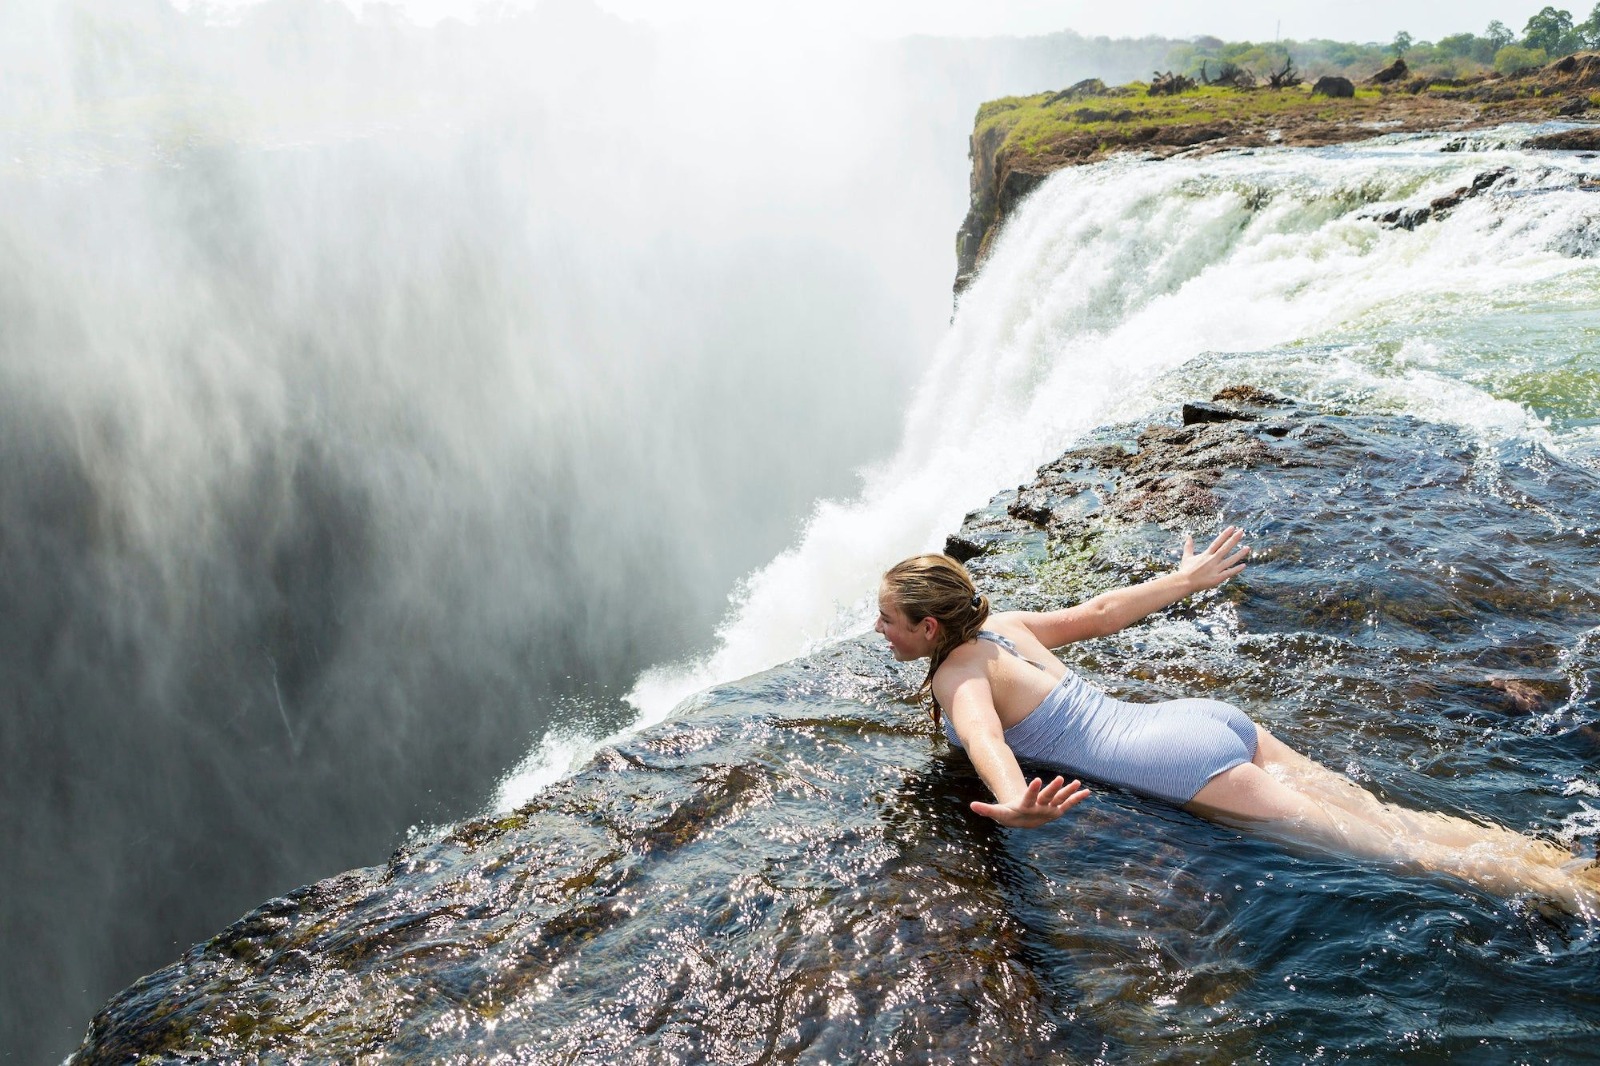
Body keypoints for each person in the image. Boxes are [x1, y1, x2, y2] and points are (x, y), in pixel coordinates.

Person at [876, 528, 1598, 912]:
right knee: (1389, 817)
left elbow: (985, 738)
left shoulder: (959, 676)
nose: (880, 631)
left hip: (1175, 762)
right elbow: (1099, 614)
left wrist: (1012, 803)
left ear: (932, 626)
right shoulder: (1005, 625)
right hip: (1202, 722)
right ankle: (1566, 868)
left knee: (1402, 855)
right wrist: (1183, 581)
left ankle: (1568, 891)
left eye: (889, 620)